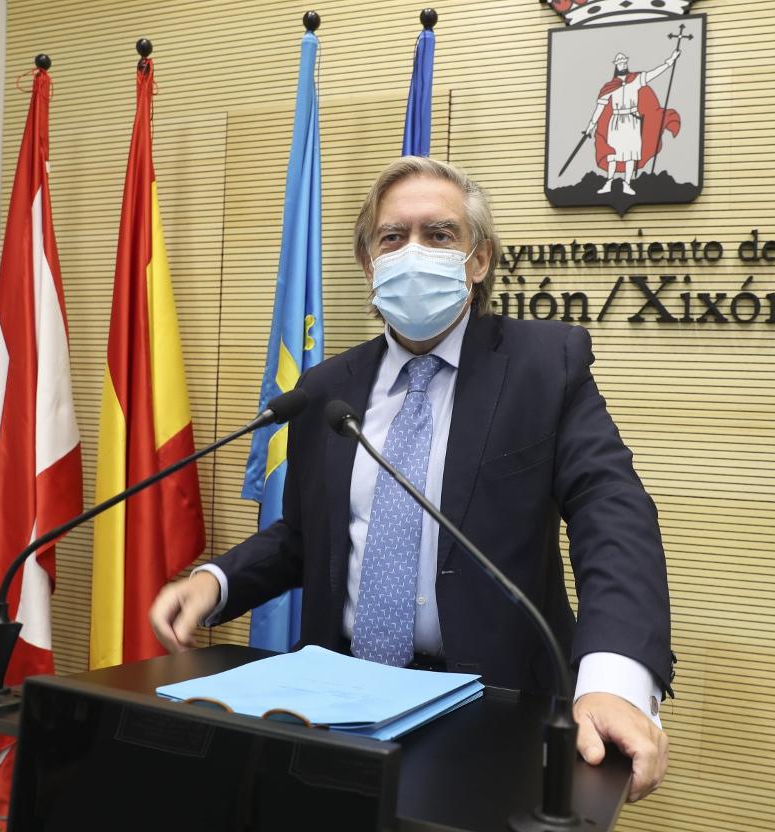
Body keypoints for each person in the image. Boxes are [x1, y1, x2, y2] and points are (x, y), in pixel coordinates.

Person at [150, 157, 674, 802]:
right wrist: (217, 579)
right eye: (392, 237)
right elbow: (306, 537)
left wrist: (616, 682)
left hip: (496, 706)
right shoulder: (326, 388)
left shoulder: (545, 365)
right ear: (370, 263)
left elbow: (611, 511)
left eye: (440, 234)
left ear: (479, 260)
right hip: (338, 703)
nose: (413, 251)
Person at [586, 49, 680, 195]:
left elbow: (654, 73)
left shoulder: (636, 79)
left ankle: (627, 184)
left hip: (632, 121)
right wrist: (591, 125)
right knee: (612, 154)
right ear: (616, 65)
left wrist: (670, 61)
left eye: (624, 62)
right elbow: (600, 107)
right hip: (616, 121)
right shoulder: (610, 87)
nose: (622, 64)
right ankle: (609, 183)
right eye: (620, 63)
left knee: (631, 154)